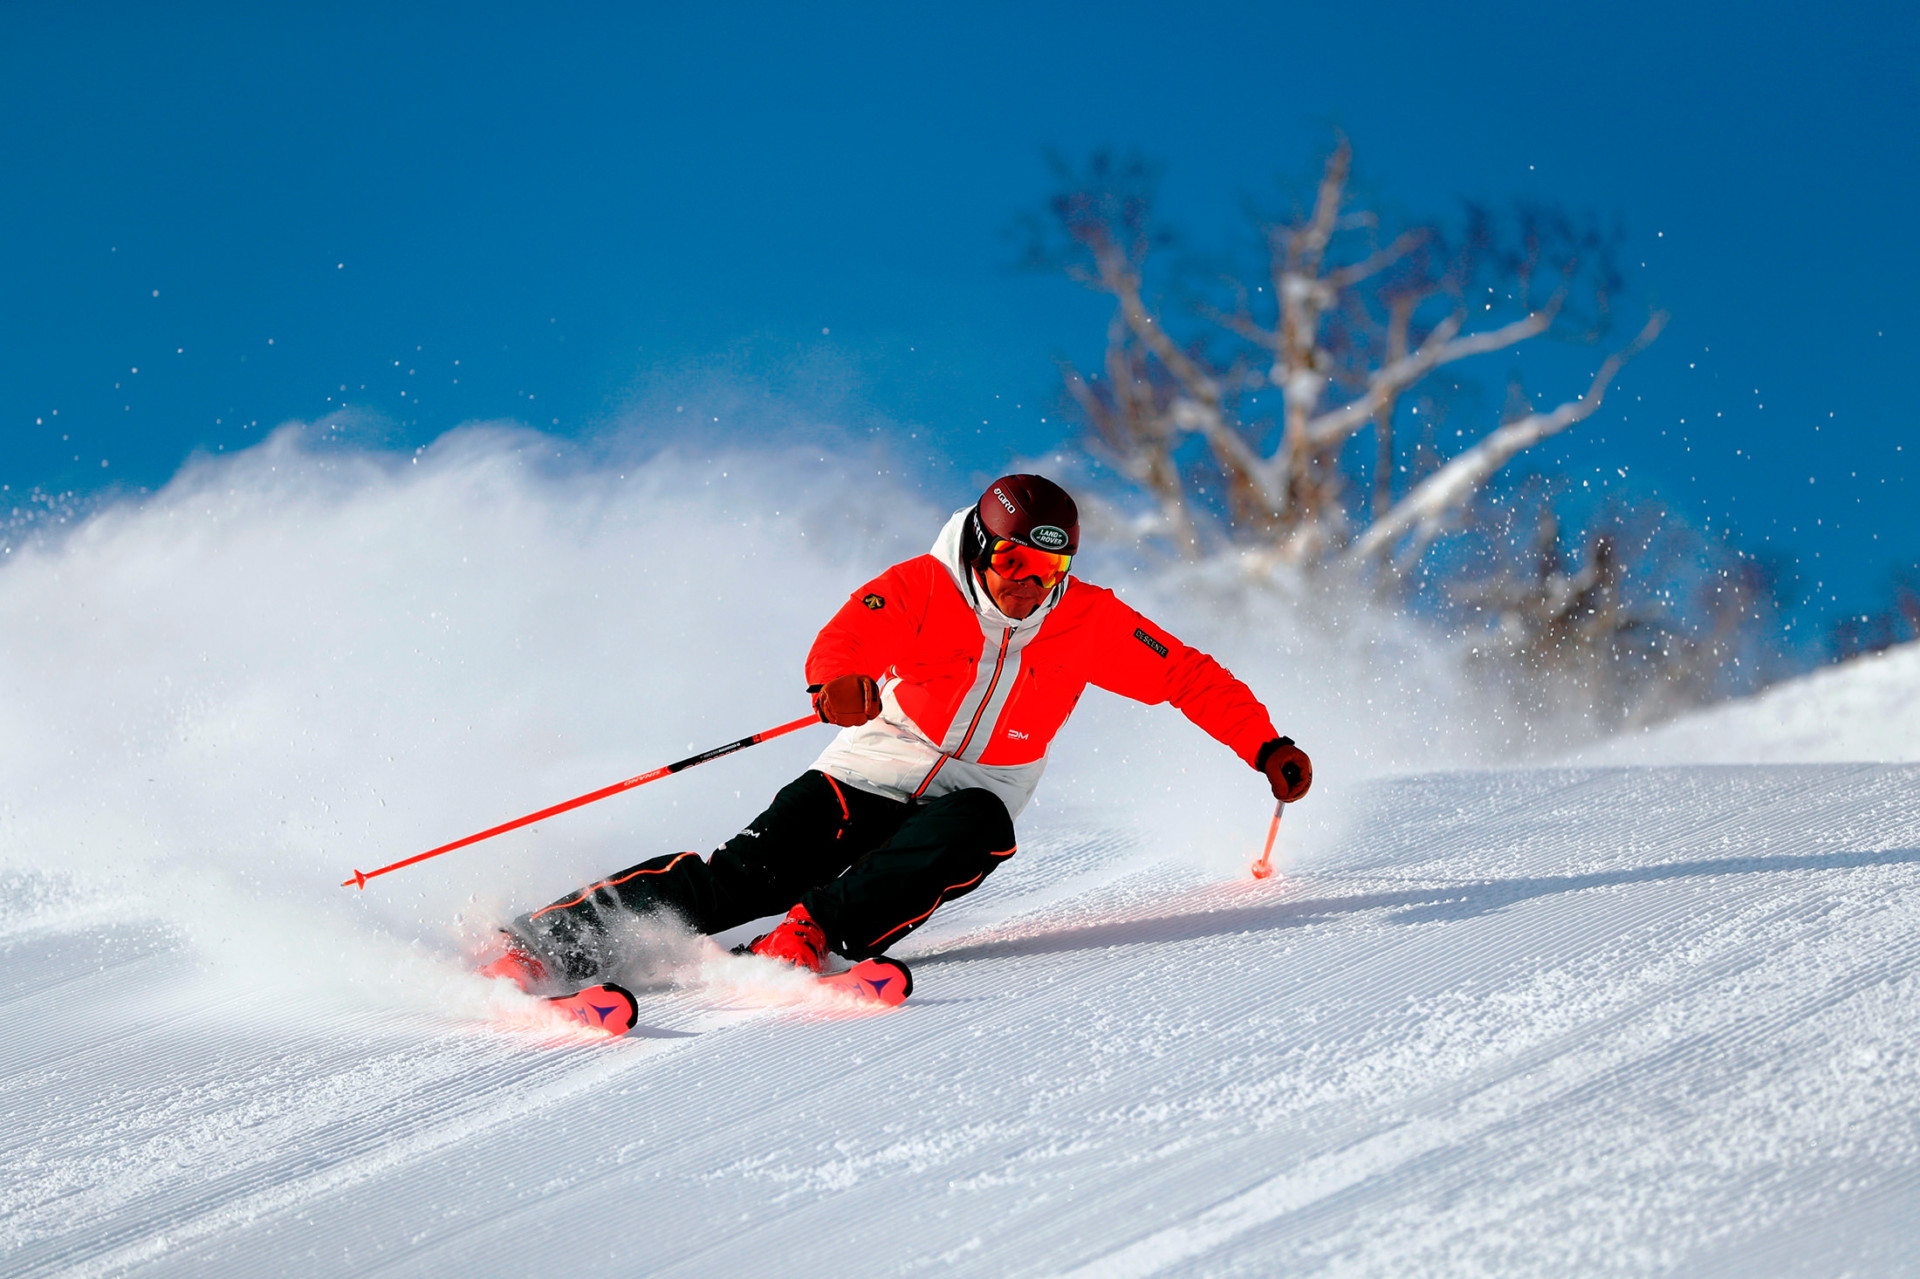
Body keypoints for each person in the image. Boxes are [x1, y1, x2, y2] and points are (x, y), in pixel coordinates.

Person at [480, 474, 1311, 991]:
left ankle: (809, 936)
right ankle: (543, 945)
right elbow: (851, 635)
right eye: (1016, 563)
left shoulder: (1089, 620)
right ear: (985, 546)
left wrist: (1263, 745)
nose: (1030, 586)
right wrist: (834, 683)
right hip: (873, 765)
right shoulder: (926, 585)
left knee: (983, 829)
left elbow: (1187, 675)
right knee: (745, 875)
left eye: (1050, 570)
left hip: (977, 788)